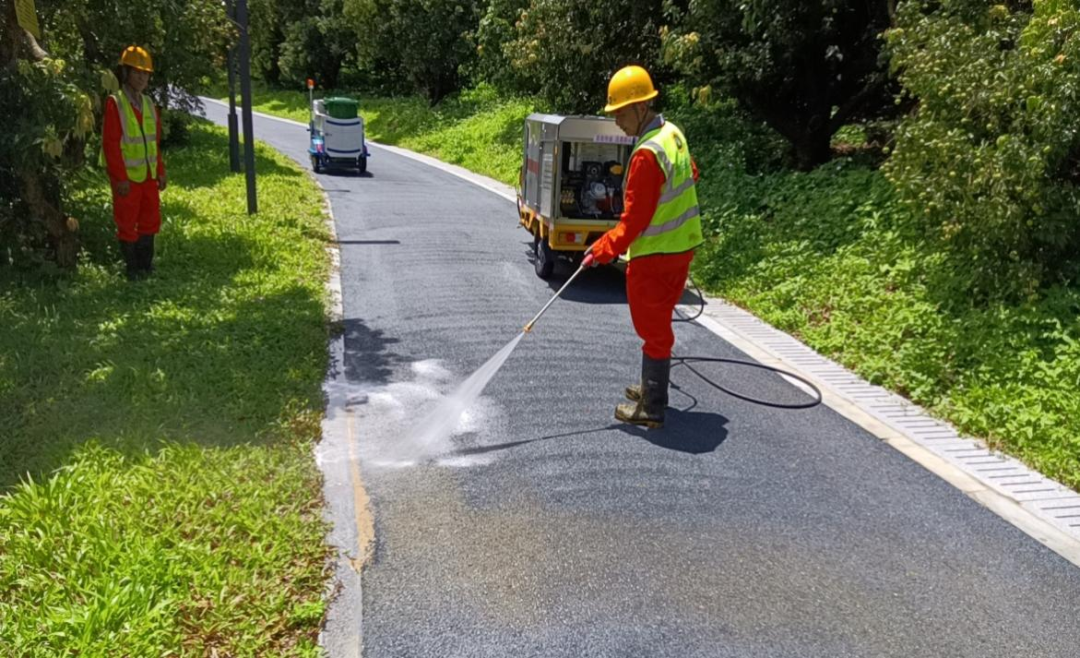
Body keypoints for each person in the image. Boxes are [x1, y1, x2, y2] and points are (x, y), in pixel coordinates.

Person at [583, 65, 703, 429]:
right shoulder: (671, 134)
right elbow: (692, 174)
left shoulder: (646, 156)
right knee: (658, 322)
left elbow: (633, 223)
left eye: (620, 112)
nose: (617, 121)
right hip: (682, 247)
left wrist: (600, 250)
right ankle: (652, 388)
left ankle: (652, 407)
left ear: (640, 107)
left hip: (656, 256)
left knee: (652, 328)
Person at [101, 45, 166, 280]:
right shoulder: (115, 103)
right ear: (126, 73)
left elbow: (154, 142)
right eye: (137, 72)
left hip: (148, 176)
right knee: (127, 223)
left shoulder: (148, 104)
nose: (142, 78)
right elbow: (111, 145)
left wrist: (160, 171)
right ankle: (132, 270)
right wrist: (120, 179)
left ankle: (146, 266)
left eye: (146, 73)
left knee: (150, 221)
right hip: (127, 179)